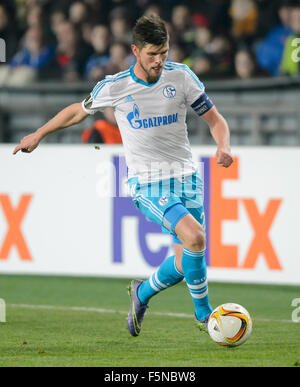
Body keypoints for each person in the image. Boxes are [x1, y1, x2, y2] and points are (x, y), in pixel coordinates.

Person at [13, 15, 233, 337]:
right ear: (135, 51)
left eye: (164, 52)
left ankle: (141, 293)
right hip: (147, 182)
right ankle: (205, 317)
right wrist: (39, 133)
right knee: (196, 237)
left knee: (186, 262)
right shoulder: (116, 86)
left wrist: (223, 146)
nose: (159, 61)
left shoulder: (182, 77)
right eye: (152, 54)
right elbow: (78, 110)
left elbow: (216, 120)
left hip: (187, 176)